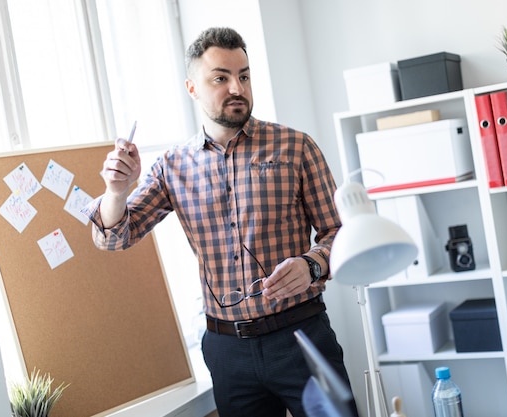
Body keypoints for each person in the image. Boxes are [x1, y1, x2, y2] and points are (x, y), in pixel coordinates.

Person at [82, 26, 359, 417]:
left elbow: (341, 231)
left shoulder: (296, 146)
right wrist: (115, 191)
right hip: (228, 350)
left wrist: (311, 263)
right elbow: (112, 238)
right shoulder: (172, 167)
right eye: (221, 78)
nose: (237, 88)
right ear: (192, 88)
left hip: (302, 335)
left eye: (244, 76)